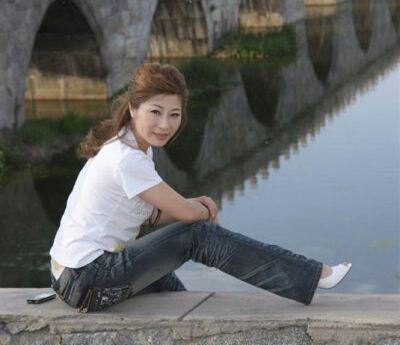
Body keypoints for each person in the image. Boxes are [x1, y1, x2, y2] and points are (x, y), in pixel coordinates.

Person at [49, 63, 352, 312]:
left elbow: (151, 215)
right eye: (155, 112)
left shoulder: (132, 146)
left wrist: (197, 204)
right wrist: (200, 211)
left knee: (173, 293)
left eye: (174, 114)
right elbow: (186, 217)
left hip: (74, 277)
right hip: (87, 278)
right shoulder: (126, 158)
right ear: (133, 109)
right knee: (197, 236)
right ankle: (312, 275)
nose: (165, 125)